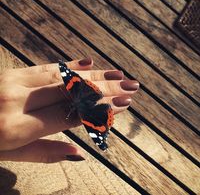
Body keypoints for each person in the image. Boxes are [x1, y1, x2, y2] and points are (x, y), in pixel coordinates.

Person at [0, 58, 139, 163]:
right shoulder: (78, 106)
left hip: (83, 100)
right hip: (87, 98)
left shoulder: (72, 99)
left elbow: (68, 79)